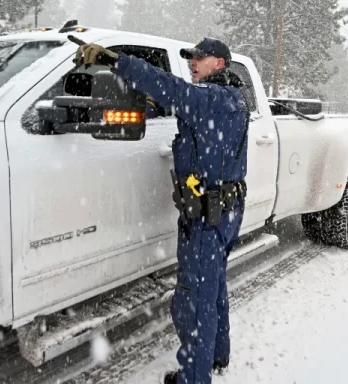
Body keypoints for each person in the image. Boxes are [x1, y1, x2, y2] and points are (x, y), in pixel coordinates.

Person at [71, 36, 249, 384]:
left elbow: (175, 92)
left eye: (201, 57)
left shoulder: (212, 99)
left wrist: (117, 61)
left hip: (207, 218)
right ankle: (217, 355)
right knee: (213, 289)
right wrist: (144, 104)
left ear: (220, 64)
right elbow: (175, 102)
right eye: (191, 57)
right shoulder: (228, 99)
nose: (193, 62)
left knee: (194, 301)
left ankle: (194, 378)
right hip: (223, 211)